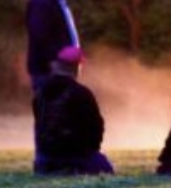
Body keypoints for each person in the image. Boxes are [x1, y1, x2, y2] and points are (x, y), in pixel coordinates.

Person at [32, 46, 114, 175]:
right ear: (77, 67)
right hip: (75, 158)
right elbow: (96, 128)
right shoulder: (81, 93)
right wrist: (90, 150)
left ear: (57, 65)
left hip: (44, 159)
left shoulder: (39, 94)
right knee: (105, 167)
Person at [26, 0, 80, 93]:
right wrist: (54, 62)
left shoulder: (56, 0)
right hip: (51, 72)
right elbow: (39, 35)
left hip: (63, 70)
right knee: (52, 106)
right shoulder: (42, 1)